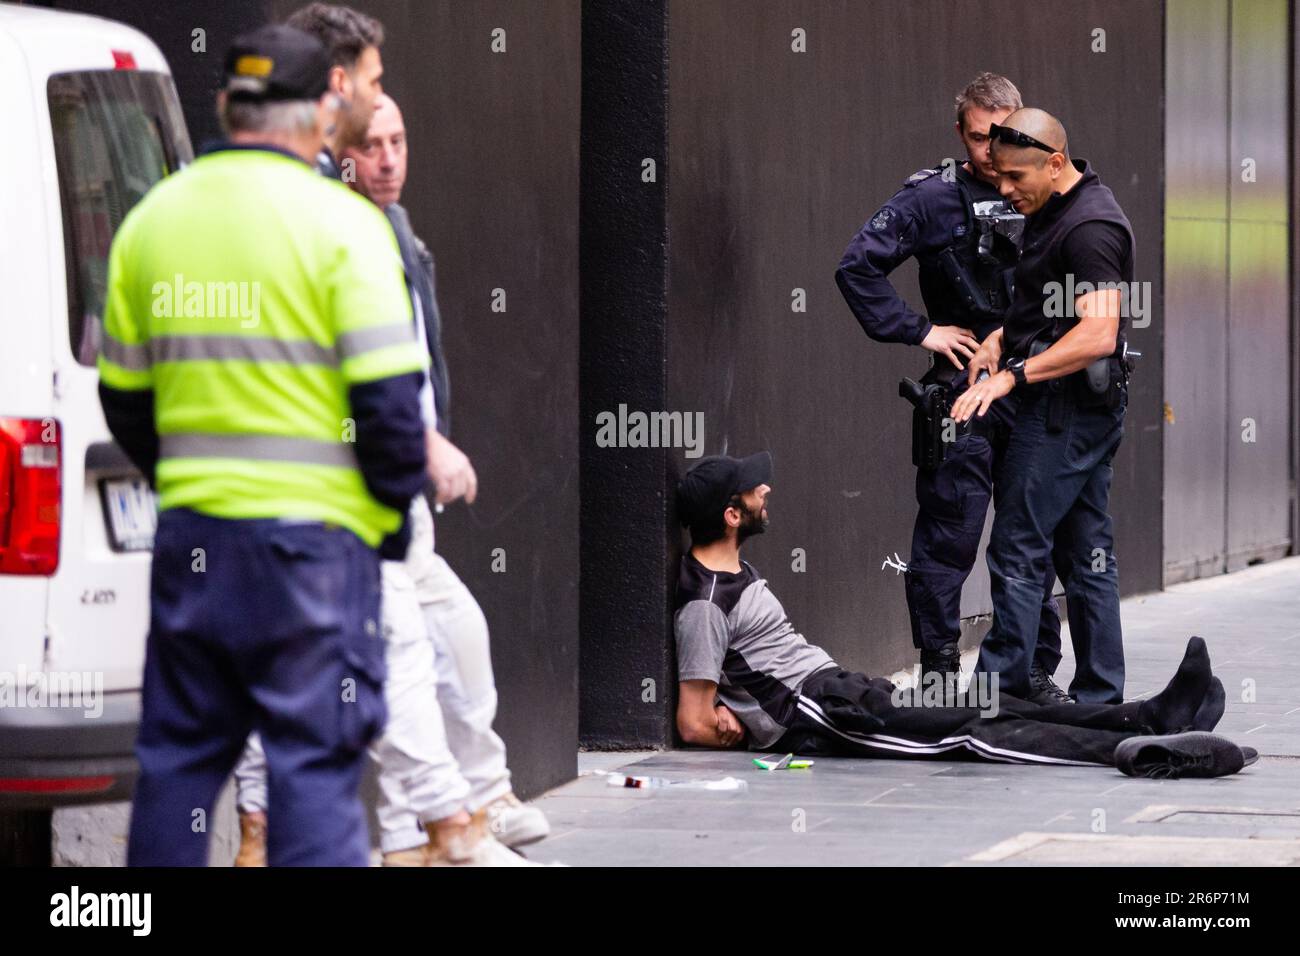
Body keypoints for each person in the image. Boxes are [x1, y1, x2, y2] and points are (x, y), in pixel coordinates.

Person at [100, 25, 429, 866]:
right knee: (313, 769)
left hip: (194, 548)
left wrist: (190, 484)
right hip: (316, 558)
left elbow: (126, 404)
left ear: (226, 108)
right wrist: (384, 525)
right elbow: (392, 415)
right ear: (322, 109)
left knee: (177, 765)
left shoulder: (150, 223)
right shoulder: (346, 228)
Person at [230, 9, 540, 867]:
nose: (384, 126)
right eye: (370, 83)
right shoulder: (319, 214)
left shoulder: (350, 219)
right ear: (335, 89)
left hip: (305, 488)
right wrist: (409, 447)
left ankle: (446, 821)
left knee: (399, 647)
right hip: (334, 487)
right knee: (386, 652)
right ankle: (443, 829)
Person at [672, 452, 1256, 779]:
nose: (766, 488)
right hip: (822, 712)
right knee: (974, 734)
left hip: (840, 690)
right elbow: (692, 721)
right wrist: (731, 725)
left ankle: (1149, 716)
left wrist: (737, 705)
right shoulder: (705, 602)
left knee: (990, 702)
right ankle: (1144, 752)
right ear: (730, 514)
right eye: (753, 489)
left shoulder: (734, 576)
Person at [835, 73, 1067, 702]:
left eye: (1003, 137)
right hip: (960, 395)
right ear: (958, 132)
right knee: (948, 536)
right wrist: (920, 331)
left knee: (1030, 538)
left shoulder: (1051, 189)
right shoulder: (932, 198)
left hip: (1033, 387)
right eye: (977, 138)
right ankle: (939, 670)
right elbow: (858, 266)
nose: (991, 154)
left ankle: (1030, 673)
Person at [952, 109, 1133, 705]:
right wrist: (1003, 338)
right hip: (1073, 409)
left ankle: (999, 694)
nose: (1004, 189)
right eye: (997, 176)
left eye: (1014, 177)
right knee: (1086, 554)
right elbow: (1047, 303)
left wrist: (1012, 378)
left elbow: (1098, 333)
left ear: (1055, 163)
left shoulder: (1091, 226)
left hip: (1064, 413)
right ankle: (1100, 699)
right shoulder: (1052, 208)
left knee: (1016, 544)